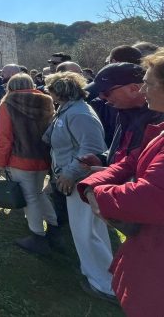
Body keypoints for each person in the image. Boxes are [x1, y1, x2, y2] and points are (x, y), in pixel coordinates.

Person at [77, 48, 164, 315]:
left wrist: (99, 195)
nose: (144, 91)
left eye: (148, 84)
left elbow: (152, 195)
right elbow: (130, 160)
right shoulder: (156, 128)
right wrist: (95, 182)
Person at [43, 71, 115, 302]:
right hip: (72, 178)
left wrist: (69, 174)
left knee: (87, 232)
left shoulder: (80, 114)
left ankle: (105, 284)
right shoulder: (68, 110)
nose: (48, 92)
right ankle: (98, 274)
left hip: (79, 180)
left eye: (51, 89)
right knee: (87, 230)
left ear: (60, 91)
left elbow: (92, 148)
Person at [0, 73, 57, 255]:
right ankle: (54, 226)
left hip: (20, 158)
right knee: (39, 193)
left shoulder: (9, 103)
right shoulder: (46, 100)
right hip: (43, 156)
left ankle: (37, 236)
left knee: (30, 198)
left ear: (10, 87)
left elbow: (4, 138)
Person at [81, 63, 164, 166]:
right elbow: (122, 151)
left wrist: (114, 176)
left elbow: (153, 173)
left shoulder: (159, 118)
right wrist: (102, 159)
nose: (101, 97)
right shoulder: (122, 112)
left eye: (106, 92)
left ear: (133, 89)